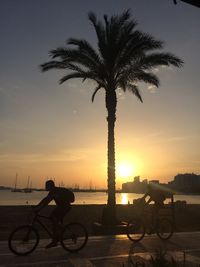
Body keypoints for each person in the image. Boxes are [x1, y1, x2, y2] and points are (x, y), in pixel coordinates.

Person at [34, 180, 75, 248]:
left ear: (50, 186)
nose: (45, 187)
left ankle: (55, 241)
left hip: (65, 207)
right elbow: (45, 200)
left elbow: (46, 202)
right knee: (53, 219)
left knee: (53, 218)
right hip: (61, 207)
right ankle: (58, 234)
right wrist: (37, 206)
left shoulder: (55, 191)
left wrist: (38, 209)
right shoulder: (53, 191)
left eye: (46, 186)